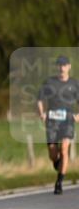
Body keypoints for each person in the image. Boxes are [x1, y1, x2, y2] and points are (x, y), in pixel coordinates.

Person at [37, 55, 79, 195]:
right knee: (53, 151)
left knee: (64, 149)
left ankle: (59, 182)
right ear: (57, 67)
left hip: (67, 121)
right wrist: (42, 113)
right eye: (60, 65)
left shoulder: (74, 84)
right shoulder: (49, 82)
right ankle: (57, 163)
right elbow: (40, 99)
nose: (62, 68)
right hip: (52, 120)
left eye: (64, 65)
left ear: (69, 67)